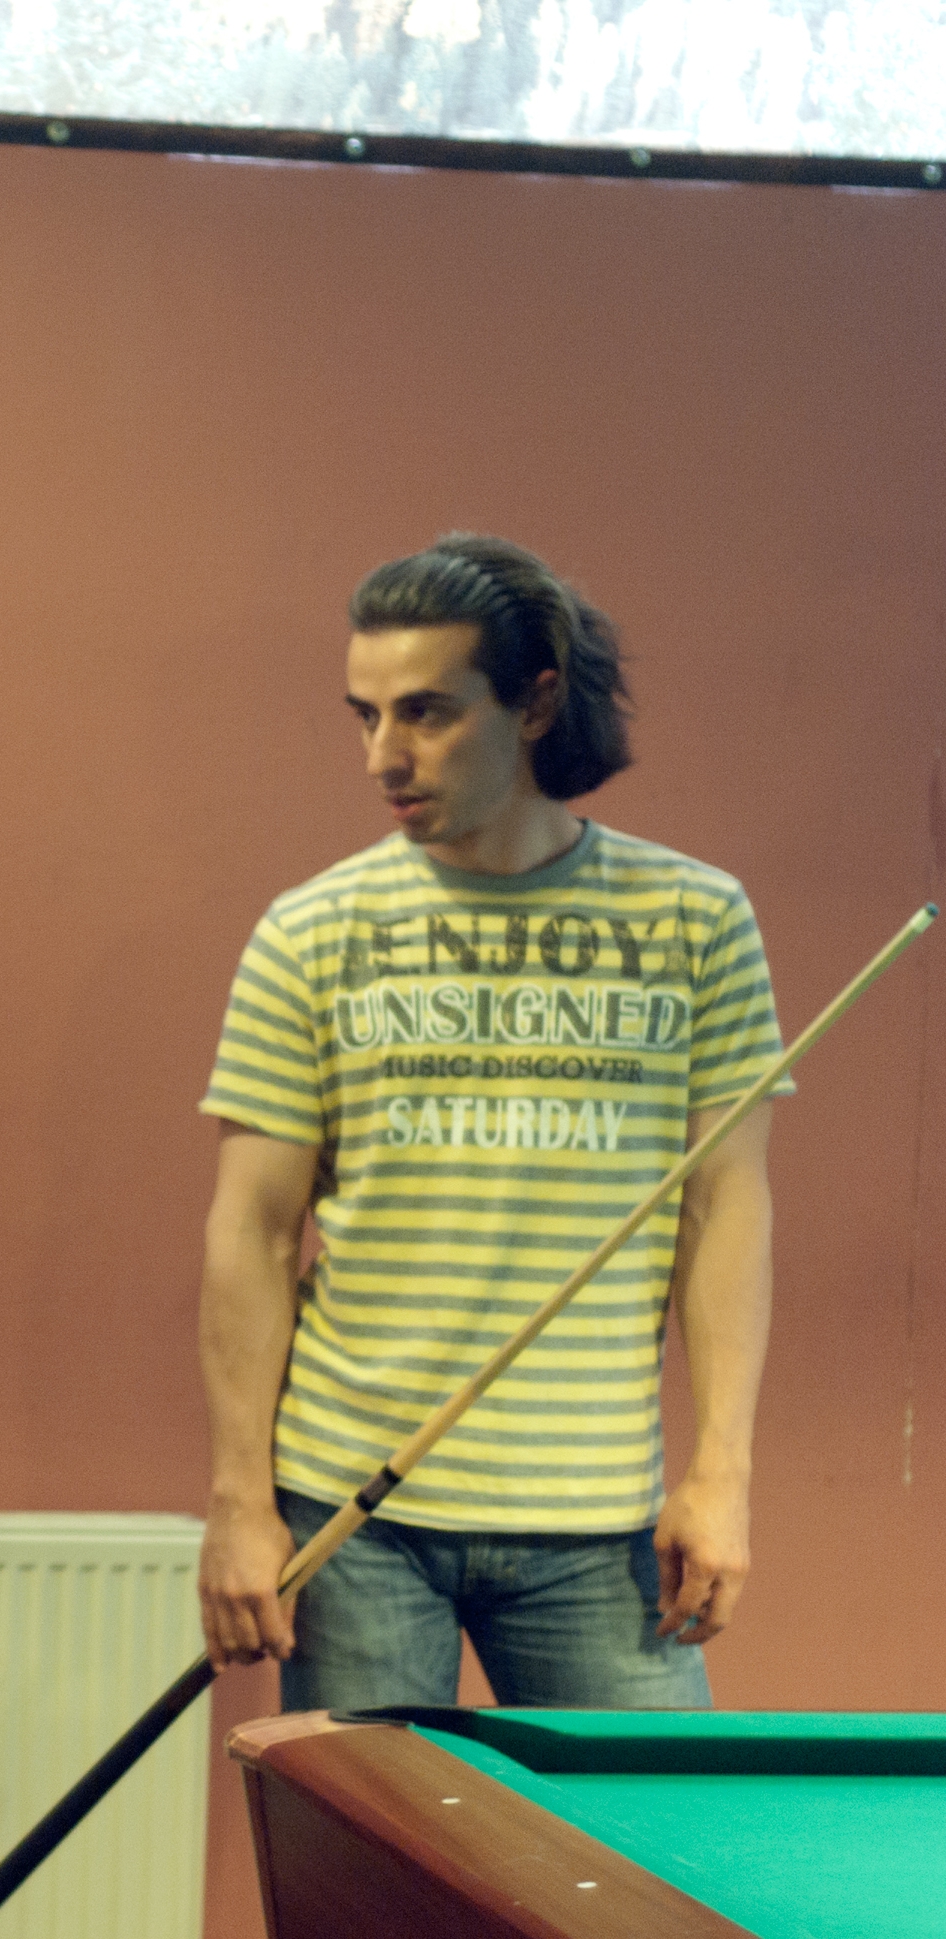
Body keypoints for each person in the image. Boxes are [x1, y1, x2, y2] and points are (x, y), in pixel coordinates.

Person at [195, 533, 787, 1713]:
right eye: (365, 715)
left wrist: (721, 1473)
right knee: (363, 1841)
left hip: (595, 1517)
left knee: (643, 1837)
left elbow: (726, 1207)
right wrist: (239, 1498)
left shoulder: (693, 919)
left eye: (425, 711)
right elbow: (250, 1233)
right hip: (352, 1516)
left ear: (535, 703)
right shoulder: (310, 931)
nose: (384, 754)